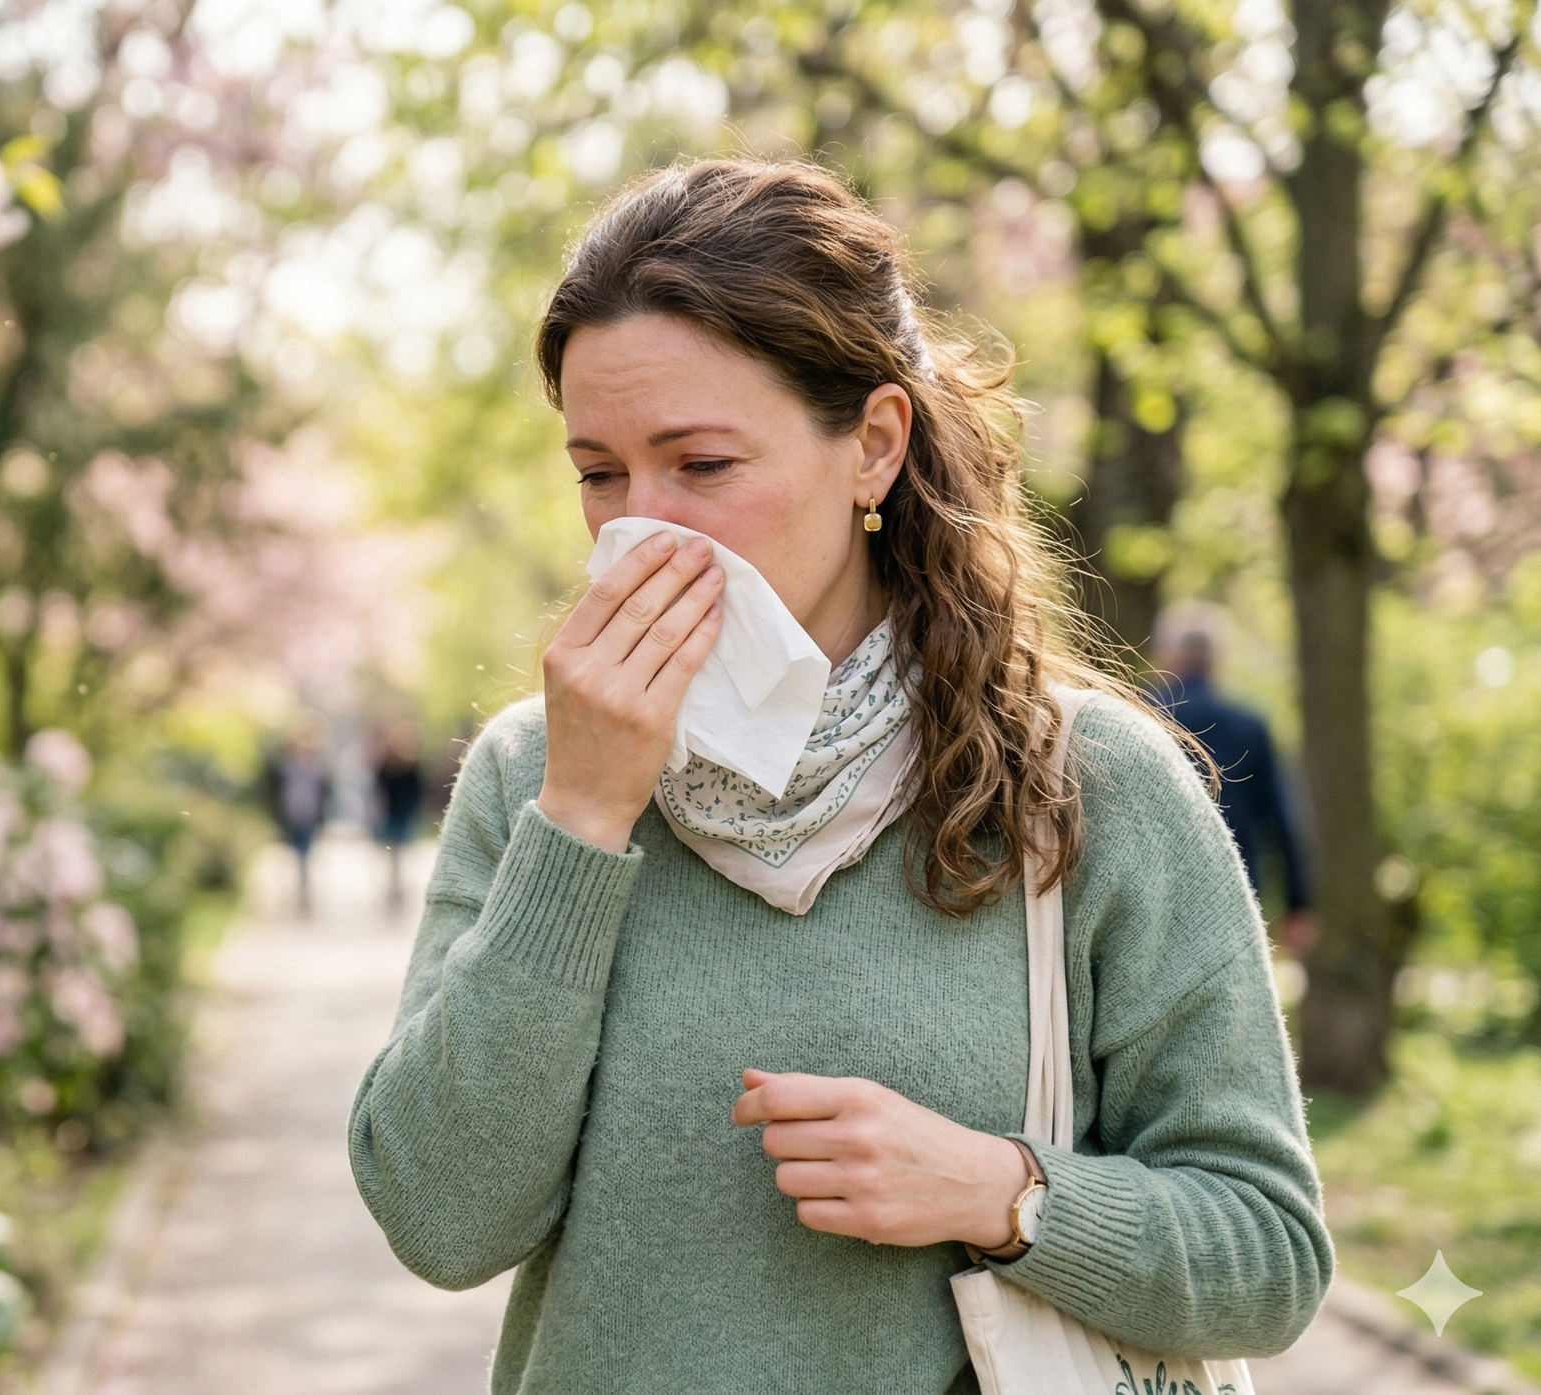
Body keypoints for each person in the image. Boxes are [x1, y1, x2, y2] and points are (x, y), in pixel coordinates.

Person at [348, 160, 1329, 1393]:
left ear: (871, 446)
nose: (637, 530)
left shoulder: (1084, 781)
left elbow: (1270, 1257)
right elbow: (440, 1222)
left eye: (700, 466)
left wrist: (999, 1192)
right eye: (599, 473)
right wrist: (585, 817)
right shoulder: (533, 778)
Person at [1149, 628, 1317, 956]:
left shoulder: (1137, 716)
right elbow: (1282, 817)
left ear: (1165, 656)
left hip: (1152, 887)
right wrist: (1298, 902)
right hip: (1233, 888)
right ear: (1216, 660)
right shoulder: (1249, 725)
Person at [260, 720, 329, 917]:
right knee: (288, 858)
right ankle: (289, 897)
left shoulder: (317, 766)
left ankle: (303, 897)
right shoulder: (283, 766)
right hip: (288, 816)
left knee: (304, 857)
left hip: (309, 816)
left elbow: (323, 792)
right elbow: (273, 790)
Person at [370, 716, 426, 911]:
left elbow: (417, 789)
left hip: (403, 813)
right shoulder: (387, 764)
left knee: (400, 849)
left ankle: (398, 883)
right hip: (392, 813)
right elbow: (380, 786)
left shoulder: (412, 764)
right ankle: (394, 884)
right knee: (393, 849)